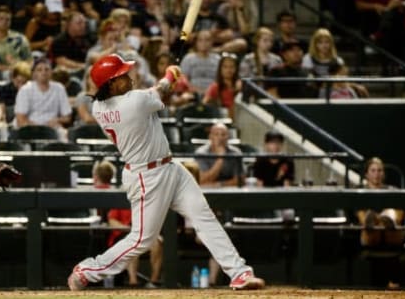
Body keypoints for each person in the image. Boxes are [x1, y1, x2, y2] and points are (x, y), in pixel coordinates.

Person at [67, 54, 264, 291]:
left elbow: (159, 90)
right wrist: (171, 73)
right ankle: (88, 270)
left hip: (170, 167)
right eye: (122, 76)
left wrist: (168, 77)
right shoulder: (133, 102)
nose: (130, 77)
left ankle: (239, 272)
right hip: (146, 176)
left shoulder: (100, 106)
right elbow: (162, 89)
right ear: (111, 84)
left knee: (203, 215)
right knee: (142, 239)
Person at [94, 159, 163, 288]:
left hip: (145, 233)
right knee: (133, 242)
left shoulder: (148, 197)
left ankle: (153, 282)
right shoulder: (124, 193)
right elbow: (112, 220)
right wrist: (130, 230)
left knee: (157, 242)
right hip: (124, 233)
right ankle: (133, 282)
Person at [356, 157, 405, 288]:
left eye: (380, 170)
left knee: (391, 216)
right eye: (373, 170)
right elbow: (361, 217)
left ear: (383, 174)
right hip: (370, 234)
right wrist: (377, 220)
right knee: (370, 224)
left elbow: (400, 215)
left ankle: (385, 221)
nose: (377, 174)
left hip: (391, 234)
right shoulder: (359, 192)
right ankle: (380, 222)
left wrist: (387, 220)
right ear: (366, 174)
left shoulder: (393, 191)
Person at [14, 58, 72, 130]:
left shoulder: (59, 88)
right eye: (39, 70)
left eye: (47, 69)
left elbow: (67, 117)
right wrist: (38, 128)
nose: (43, 72)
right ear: (34, 73)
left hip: (53, 128)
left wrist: (57, 120)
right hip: (29, 128)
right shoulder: (25, 90)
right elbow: (20, 119)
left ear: (51, 72)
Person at [195, 123, 244, 187]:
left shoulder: (236, 153)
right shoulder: (201, 153)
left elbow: (240, 180)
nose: (220, 138)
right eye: (216, 134)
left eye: (223, 134)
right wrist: (220, 159)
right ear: (210, 137)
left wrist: (219, 184)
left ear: (228, 137)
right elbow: (202, 180)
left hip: (230, 190)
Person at [203, 52, 241, 119]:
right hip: (222, 119)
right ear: (220, 69)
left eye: (232, 67)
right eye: (225, 67)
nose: (228, 70)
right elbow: (204, 104)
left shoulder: (241, 85)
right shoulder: (215, 87)